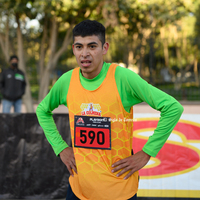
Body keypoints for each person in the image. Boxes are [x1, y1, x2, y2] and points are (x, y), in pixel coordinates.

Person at [36, 20, 184, 200]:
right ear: (73, 49)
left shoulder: (122, 78)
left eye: (92, 46)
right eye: (79, 47)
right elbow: (42, 110)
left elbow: (172, 107)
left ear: (104, 48)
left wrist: (146, 153)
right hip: (78, 189)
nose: (85, 54)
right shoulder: (67, 81)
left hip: (119, 190)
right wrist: (61, 148)